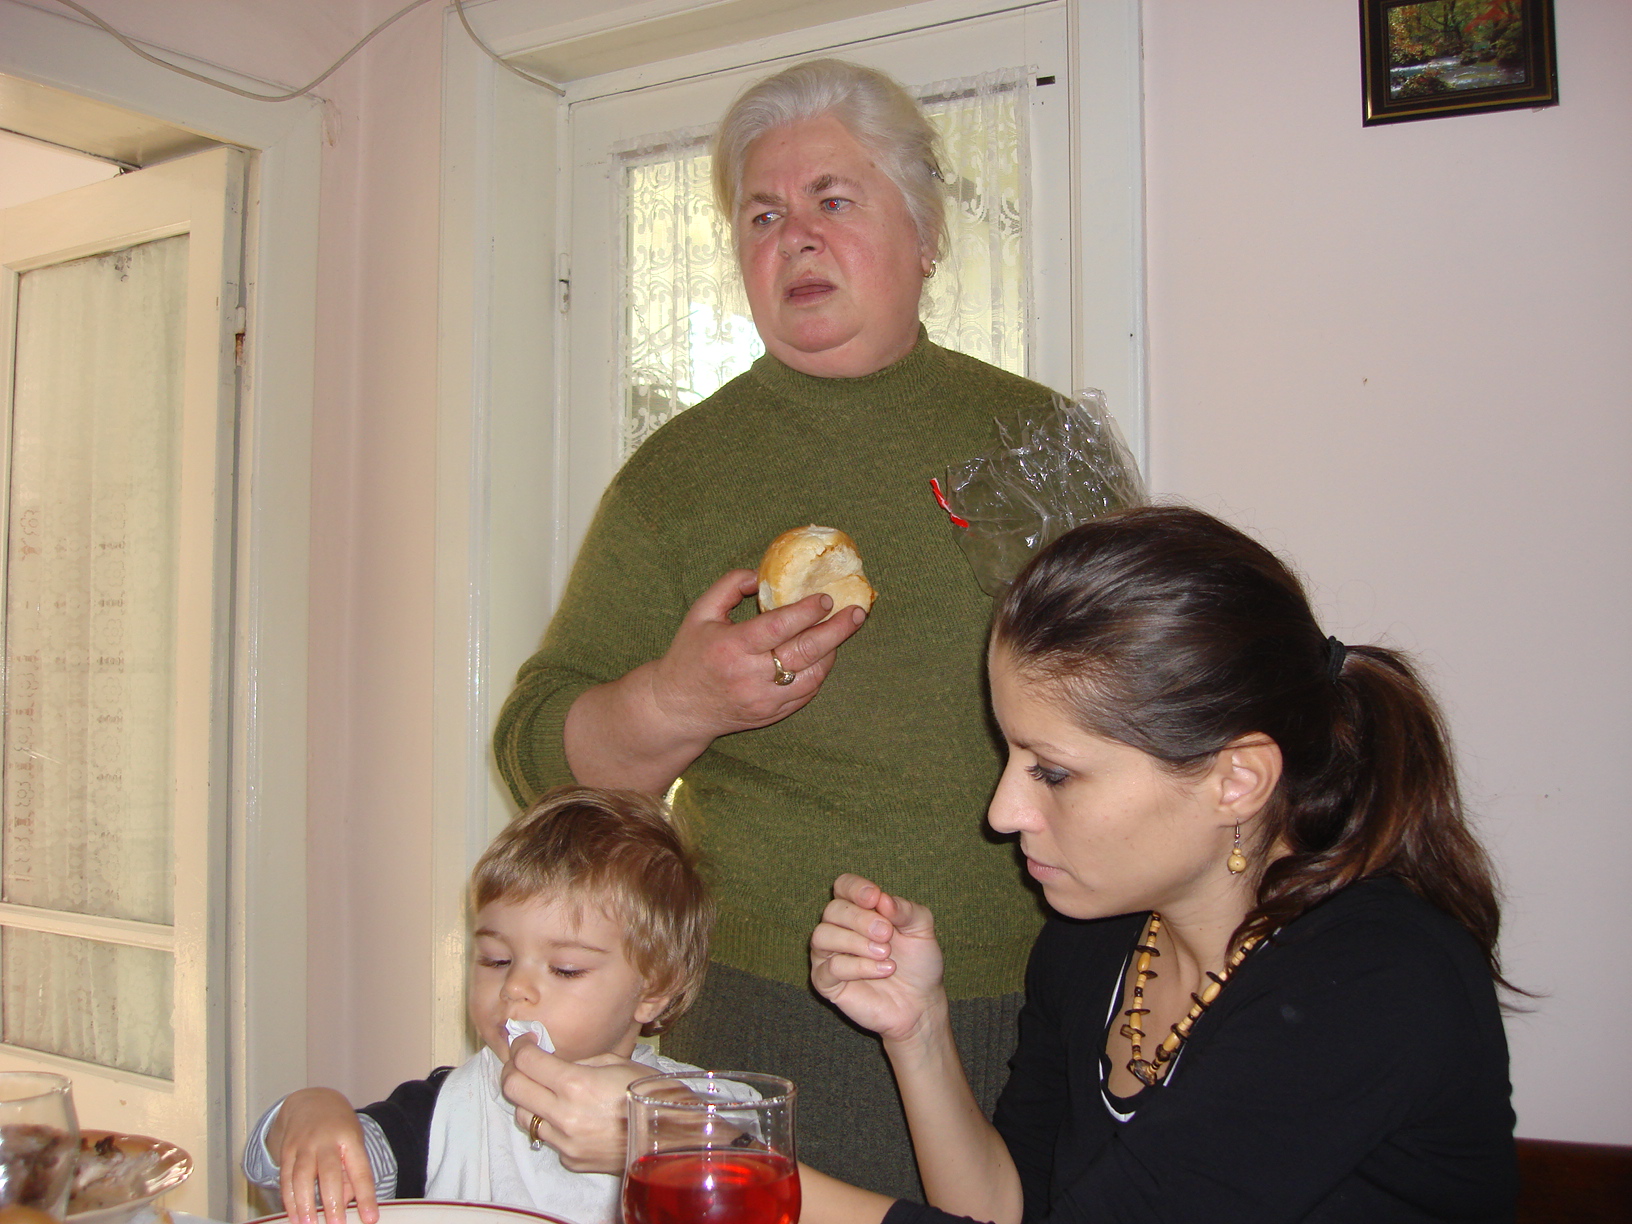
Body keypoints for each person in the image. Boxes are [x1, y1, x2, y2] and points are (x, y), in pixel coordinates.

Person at [494, 59, 1057, 1195]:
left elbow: (1163, 717)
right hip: (762, 1025)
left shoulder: (1041, 446)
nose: (794, 237)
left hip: (1048, 996)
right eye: (762, 216)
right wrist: (678, 701)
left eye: (833, 200)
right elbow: (535, 755)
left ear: (924, 232)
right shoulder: (675, 480)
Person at [804, 505, 1518, 1224]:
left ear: (1235, 781)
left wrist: (760, 1184)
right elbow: (1011, 1210)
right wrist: (919, 1032)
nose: (1002, 812)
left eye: (1054, 772)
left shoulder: (1375, 981)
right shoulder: (1092, 940)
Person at [241, 787, 713, 1224]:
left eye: (564, 968)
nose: (514, 987)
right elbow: (333, 1189)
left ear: (654, 990)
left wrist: (678, 1144)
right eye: (496, 959)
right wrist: (305, 1115)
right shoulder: (442, 1112)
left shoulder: (711, 1115)